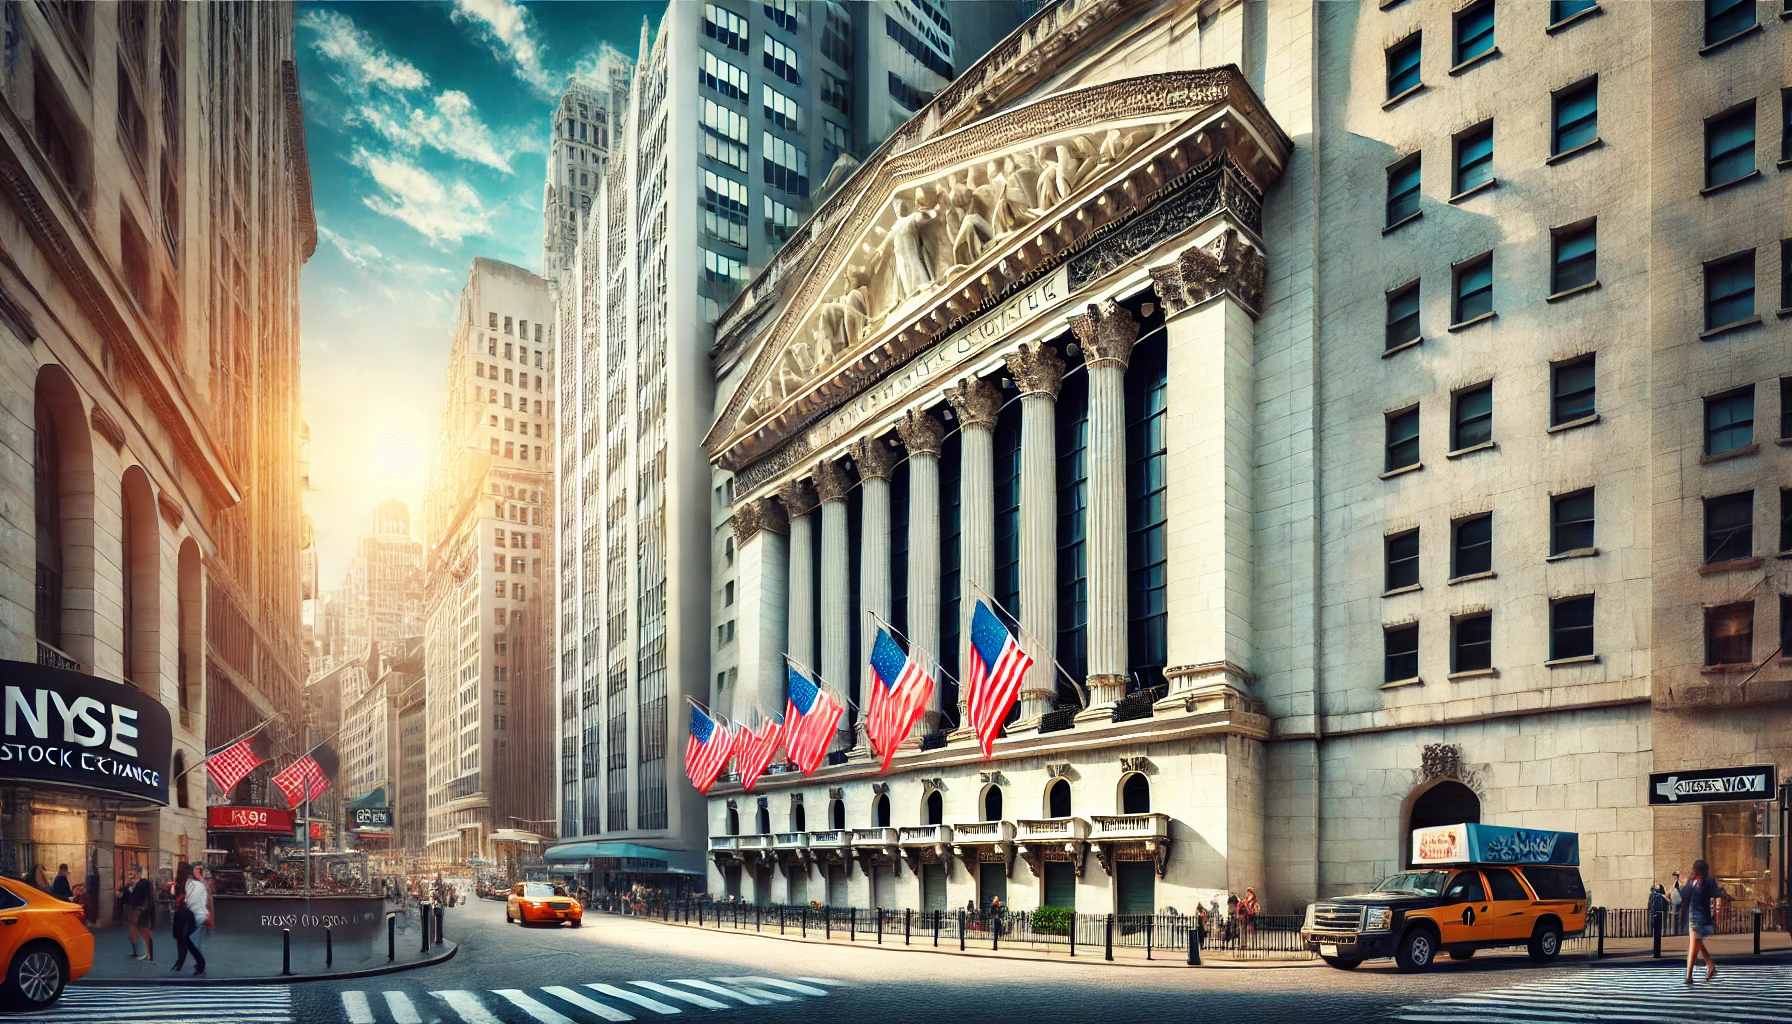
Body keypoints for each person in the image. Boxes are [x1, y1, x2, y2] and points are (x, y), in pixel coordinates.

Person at [1681, 859, 1723, 984]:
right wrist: (1690, 884)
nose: (1697, 873)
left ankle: (1689, 976)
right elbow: (1685, 894)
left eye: (1699, 871)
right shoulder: (1692, 882)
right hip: (1693, 917)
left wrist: (1721, 892)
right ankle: (1710, 966)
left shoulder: (1708, 882)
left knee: (1694, 946)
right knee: (1696, 944)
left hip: (1703, 918)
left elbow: (1716, 893)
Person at [169, 862, 207, 976]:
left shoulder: (187, 883)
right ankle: (182, 962)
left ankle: (199, 964)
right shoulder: (185, 882)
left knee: (185, 939)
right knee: (183, 938)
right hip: (185, 912)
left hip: (185, 913)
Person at [121, 866, 155, 964]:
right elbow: (126, 898)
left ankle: (150, 954)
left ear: (138, 873)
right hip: (134, 911)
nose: (131, 876)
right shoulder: (130, 886)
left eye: (133, 873)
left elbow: (143, 897)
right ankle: (146, 953)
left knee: (145, 932)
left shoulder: (144, 883)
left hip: (143, 911)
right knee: (141, 932)